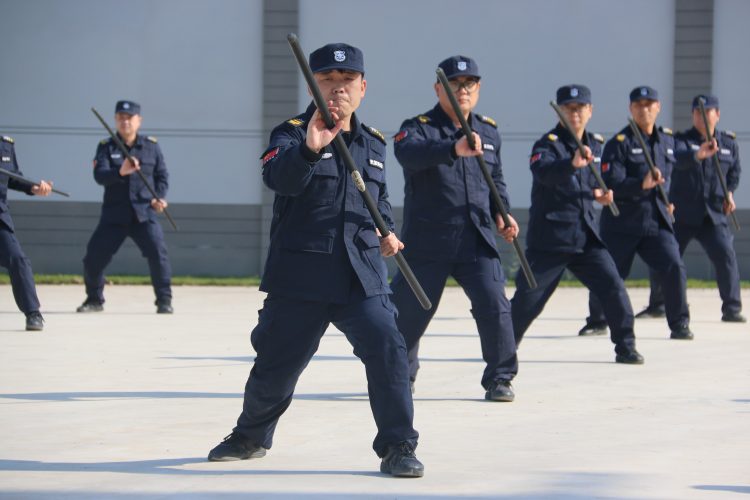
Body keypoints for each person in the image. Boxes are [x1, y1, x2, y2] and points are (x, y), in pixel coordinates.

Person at [206, 43, 424, 478]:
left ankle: (398, 446)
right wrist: (309, 148)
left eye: (347, 81)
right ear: (312, 86)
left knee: (389, 350)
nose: (337, 89)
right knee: (276, 364)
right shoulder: (290, 134)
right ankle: (250, 436)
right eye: (327, 80)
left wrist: (387, 230)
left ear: (363, 87)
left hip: (361, 275)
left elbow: (378, 197)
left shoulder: (373, 142)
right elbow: (278, 179)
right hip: (301, 276)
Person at [389, 55, 519, 402]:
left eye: (469, 84)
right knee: (409, 311)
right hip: (429, 238)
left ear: (478, 88)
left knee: (495, 305)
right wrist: (452, 148)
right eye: (455, 84)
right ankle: (400, 376)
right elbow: (407, 153)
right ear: (438, 89)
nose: (463, 90)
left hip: (476, 237)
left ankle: (500, 378)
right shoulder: (417, 127)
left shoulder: (488, 131)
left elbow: (496, 179)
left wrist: (503, 213)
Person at [510, 85, 644, 364]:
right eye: (569, 108)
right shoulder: (547, 145)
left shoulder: (595, 144)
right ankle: (503, 345)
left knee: (613, 287)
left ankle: (626, 346)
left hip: (586, 237)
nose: (575, 113)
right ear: (559, 111)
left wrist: (601, 194)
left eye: (580, 108)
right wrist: (571, 163)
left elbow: (591, 183)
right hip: (551, 238)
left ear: (590, 111)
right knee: (529, 299)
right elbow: (545, 174)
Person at [578, 86, 693, 340]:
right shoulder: (619, 144)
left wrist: (669, 201)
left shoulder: (667, 141)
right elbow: (611, 181)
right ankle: (598, 320)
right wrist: (642, 184)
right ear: (631, 109)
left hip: (656, 221)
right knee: (608, 273)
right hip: (623, 222)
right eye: (639, 105)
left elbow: (673, 176)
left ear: (658, 107)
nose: (644, 109)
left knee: (674, 265)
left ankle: (679, 323)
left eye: (649, 104)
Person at [635, 94, 745, 323]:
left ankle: (732, 308)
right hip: (682, 213)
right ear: (693, 115)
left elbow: (734, 171)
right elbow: (676, 159)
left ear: (717, 114)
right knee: (665, 256)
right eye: (697, 112)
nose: (702, 116)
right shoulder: (679, 141)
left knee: (726, 256)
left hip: (713, 214)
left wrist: (729, 192)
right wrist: (697, 154)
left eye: (707, 112)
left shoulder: (728, 143)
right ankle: (659, 305)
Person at [76, 100, 173, 314]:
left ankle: (164, 300)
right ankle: (94, 300)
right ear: (115, 120)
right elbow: (99, 176)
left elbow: (162, 176)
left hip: (144, 214)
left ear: (139, 121)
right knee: (93, 258)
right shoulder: (106, 147)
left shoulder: (151, 146)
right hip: (114, 215)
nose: (125, 122)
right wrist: (121, 171)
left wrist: (159, 198)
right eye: (120, 118)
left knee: (159, 254)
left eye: (129, 118)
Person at [0, 135, 53, 330]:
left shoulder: (5, 144)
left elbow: (12, 177)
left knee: (18, 259)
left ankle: (33, 313)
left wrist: (33, 187)